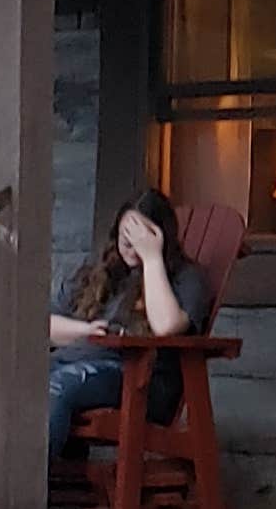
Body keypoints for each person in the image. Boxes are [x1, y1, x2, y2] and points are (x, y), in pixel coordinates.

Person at [47, 187, 212, 469]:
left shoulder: (186, 278)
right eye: (126, 238)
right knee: (11, 381)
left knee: (58, 386)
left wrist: (152, 259)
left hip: (138, 380)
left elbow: (166, 325)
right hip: (74, 363)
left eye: (142, 238)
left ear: (161, 237)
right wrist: (84, 332)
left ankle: (26, 491)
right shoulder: (98, 274)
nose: (132, 246)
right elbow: (44, 325)